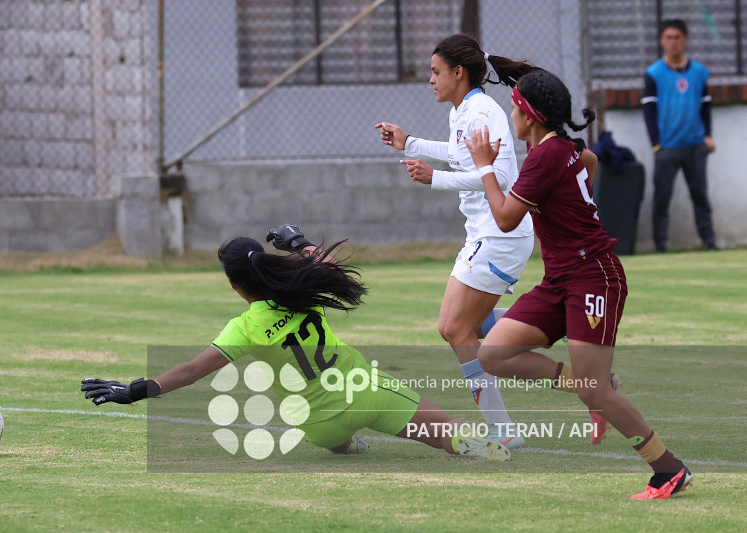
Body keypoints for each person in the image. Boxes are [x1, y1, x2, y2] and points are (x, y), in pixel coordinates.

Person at [81, 224, 510, 462]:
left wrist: (134, 390)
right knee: (456, 438)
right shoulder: (302, 289)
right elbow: (327, 265)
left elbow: (191, 372)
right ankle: (486, 449)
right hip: (366, 395)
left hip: (315, 425)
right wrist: (300, 242)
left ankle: (348, 441)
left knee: (338, 436)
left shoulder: (244, 327)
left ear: (234, 286)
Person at [464, 69, 692, 499]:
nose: (510, 112)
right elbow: (589, 162)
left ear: (529, 116)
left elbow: (506, 217)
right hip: (562, 279)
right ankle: (595, 386)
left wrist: (484, 169)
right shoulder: (562, 149)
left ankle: (669, 470)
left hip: (594, 278)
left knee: (598, 392)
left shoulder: (546, 156)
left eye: (515, 106)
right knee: (493, 353)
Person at [373, 34, 541, 449]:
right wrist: (409, 142)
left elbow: (500, 177)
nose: (430, 79)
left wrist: (435, 179)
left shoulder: (481, 110)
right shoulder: (465, 110)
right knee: (456, 327)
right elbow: (461, 155)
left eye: (435, 72)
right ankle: (547, 320)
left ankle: (503, 429)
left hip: (498, 236)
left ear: (458, 73)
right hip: (485, 234)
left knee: (456, 328)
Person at [642, 18, 717, 252]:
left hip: (695, 145)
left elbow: (705, 107)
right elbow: (649, 110)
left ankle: (709, 242)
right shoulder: (653, 73)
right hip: (667, 147)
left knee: (700, 196)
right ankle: (661, 246)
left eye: (677, 37)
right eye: (669, 38)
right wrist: (656, 144)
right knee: (662, 199)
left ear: (685, 40)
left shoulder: (699, 72)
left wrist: (708, 136)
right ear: (662, 41)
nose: (673, 42)